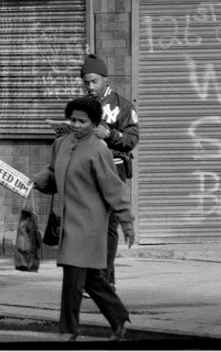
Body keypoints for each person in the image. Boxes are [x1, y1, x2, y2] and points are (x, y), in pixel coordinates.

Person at [33, 96, 135, 341]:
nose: (76, 125)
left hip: (89, 226)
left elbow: (114, 189)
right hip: (69, 223)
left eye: (82, 121)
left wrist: (127, 223)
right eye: (73, 120)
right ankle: (119, 318)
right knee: (92, 280)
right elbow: (53, 173)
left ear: (94, 123)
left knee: (73, 281)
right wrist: (38, 181)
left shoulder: (99, 150)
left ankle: (68, 331)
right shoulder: (62, 144)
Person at [80, 53, 140, 289]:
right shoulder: (82, 106)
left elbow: (132, 139)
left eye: (94, 81)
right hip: (88, 171)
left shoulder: (123, 105)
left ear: (105, 78)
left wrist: (110, 135)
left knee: (108, 225)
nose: (90, 86)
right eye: (86, 82)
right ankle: (95, 280)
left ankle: (105, 280)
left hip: (114, 171)